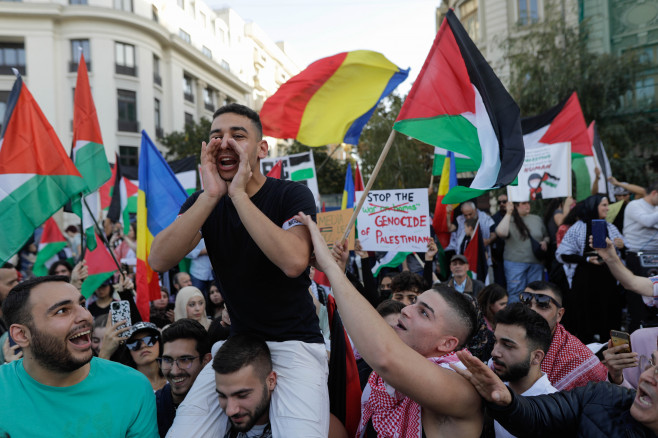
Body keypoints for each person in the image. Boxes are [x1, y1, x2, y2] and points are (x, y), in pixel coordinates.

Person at [150, 103, 327, 437]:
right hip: (238, 345)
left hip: (295, 344)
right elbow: (159, 259)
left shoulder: (291, 194)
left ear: (262, 148)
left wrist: (240, 197)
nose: (225, 143)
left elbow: (293, 262)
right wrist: (212, 196)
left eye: (237, 135)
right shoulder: (204, 201)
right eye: (216, 136)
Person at [298, 212, 484, 438]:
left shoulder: (462, 388)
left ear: (447, 344)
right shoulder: (377, 379)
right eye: (414, 303)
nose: (405, 309)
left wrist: (329, 267)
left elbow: (386, 357)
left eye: (424, 313)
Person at [0, 275, 157, 437]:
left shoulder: (132, 387)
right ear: (22, 335)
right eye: (62, 311)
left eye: (82, 305)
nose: (86, 316)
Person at [453, 347, 658, 437]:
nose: (647, 377)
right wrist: (508, 402)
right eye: (651, 364)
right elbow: (537, 415)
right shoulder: (601, 397)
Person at [556, 194, 626, 342]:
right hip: (585, 280)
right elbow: (563, 254)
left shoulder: (610, 227)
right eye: (604, 205)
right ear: (594, 207)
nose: (607, 208)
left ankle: (611, 350)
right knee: (585, 316)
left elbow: (623, 254)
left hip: (608, 278)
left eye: (607, 205)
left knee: (609, 314)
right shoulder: (578, 227)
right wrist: (587, 259)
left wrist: (622, 246)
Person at [520, 281, 608, 390]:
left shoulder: (579, 359)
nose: (531, 311)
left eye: (542, 306)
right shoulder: (506, 338)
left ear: (559, 315)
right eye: (526, 304)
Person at [488, 303, 556, 438]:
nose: (494, 352)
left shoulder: (552, 411)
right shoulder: (495, 389)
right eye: (495, 341)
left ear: (536, 357)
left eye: (508, 345)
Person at [212, 334, 277, 437]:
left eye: (242, 395)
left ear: (271, 381)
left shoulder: (298, 429)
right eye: (222, 396)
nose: (230, 411)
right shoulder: (213, 429)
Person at [156, 319, 212, 437]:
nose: (175, 371)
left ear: (206, 361)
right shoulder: (151, 407)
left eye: (185, 360)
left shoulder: (222, 404)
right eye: (167, 360)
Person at [495, 201, 549, 303]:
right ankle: (516, 318)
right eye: (523, 203)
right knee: (516, 293)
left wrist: (545, 242)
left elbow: (546, 235)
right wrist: (508, 213)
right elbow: (500, 233)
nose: (527, 205)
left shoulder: (536, 218)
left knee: (535, 293)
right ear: (516, 205)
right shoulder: (509, 219)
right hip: (514, 263)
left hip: (535, 263)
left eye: (528, 203)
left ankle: (532, 317)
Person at [623, 180, 658, 331]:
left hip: (654, 255)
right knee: (638, 295)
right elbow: (647, 221)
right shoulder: (634, 205)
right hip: (636, 256)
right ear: (654, 193)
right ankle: (636, 330)